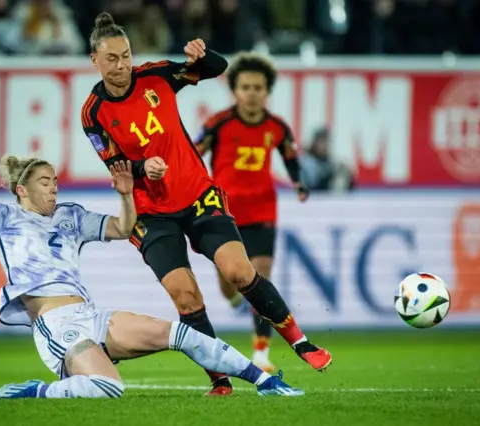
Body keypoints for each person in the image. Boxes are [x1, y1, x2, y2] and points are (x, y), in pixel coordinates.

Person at [0, 81, 304, 399]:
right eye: (45, 181)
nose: (54, 186)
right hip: (57, 325)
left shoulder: (70, 215)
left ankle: (266, 383)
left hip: (90, 314)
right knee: (109, 387)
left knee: (184, 335)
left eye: (55, 179)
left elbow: (122, 227)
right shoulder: (3, 217)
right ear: (21, 190)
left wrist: (126, 194)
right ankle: (36, 391)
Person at [80, 12, 332, 396]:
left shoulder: (157, 76)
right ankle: (219, 378)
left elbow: (217, 68)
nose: (121, 65)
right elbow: (114, 165)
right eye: (112, 59)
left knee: (238, 272)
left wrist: (202, 54)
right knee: (186, 296)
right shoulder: (93, 113)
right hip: (149, 212)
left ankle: (301, 343)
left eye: (126, 55)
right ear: (94, 60)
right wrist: (141, 166)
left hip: (197, 194)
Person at [194, 52, 308, 373]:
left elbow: (290, 157)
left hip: (262, 211)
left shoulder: (277, 127)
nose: (252, 93)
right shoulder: (219, 123)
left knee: (261, 278)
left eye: (258, 87)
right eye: (246, 87)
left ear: (267, 90)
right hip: (223, 214)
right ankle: (232, 298)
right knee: (230, 283)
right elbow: (191, 153)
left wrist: (299, 183)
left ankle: (261, 353)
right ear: (235, 90)